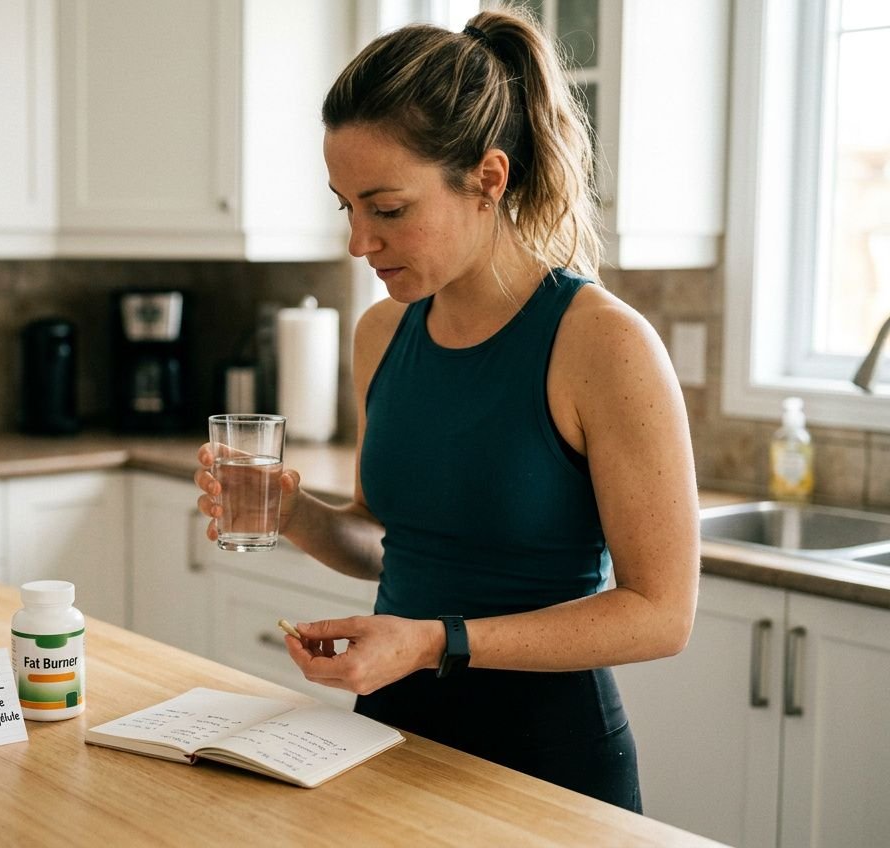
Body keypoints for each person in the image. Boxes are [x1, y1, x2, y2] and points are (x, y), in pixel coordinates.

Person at [194, 7, 699, 813]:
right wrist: (294, 513)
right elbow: (390, 542)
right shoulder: (383, 332)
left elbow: (661, 615)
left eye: (387, 209)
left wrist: (436, 640)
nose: (360, 242)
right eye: (345, 207)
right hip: (386, 742)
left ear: (488, 180)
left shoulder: (602, 343)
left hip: (548, 768)